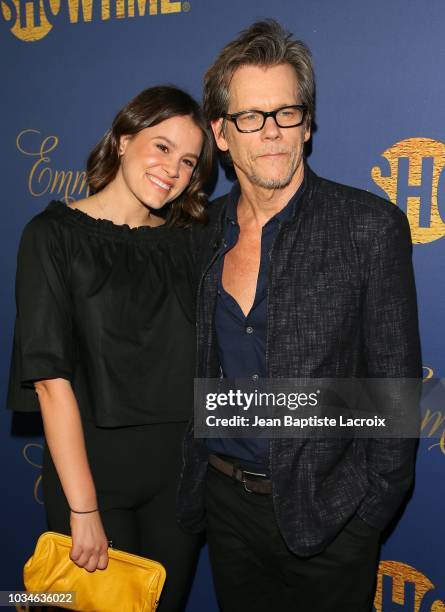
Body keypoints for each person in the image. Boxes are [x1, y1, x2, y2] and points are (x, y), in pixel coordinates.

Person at [177, 20, 422, 612]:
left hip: (332, 516)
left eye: (288, 113)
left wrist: (365, 513)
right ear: (221, 133)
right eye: (251, 117)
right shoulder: (196, 234)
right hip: (227, 507)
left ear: (307, 124)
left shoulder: (367, 227)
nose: (272, 133)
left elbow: (394, 389)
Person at [8, 85, 214, 612]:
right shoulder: (52, 236)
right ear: (123, 140)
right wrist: (83, 509)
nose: (173, 168)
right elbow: (51, 383)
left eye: (188, 160)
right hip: (95, 480)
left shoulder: (189, 243)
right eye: (161, 146)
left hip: (179, 483)